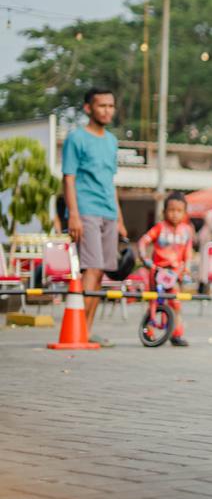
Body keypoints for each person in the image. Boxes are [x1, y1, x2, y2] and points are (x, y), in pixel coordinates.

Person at [62, 88, 127, 347]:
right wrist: (74, 215)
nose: (107, 110)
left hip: (108, 212)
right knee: (92, 268)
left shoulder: (111, 141)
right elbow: (68, 177)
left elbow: (110, 182)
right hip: (85, 210)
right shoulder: (76, 138)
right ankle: (80, 330)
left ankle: (86, 329)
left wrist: (120, 218)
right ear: (88, 108)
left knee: (101, 274)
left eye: (111, 106)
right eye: (102, 106)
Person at [136, 192, 195, 346]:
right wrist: (144, 258)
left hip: (174, 273)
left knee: (175, 302)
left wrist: (187, 267)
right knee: (154, 301)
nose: (174, 214)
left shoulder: (186, 230)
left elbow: (188, 251)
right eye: (171, 210)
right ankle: (149, 330)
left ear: (184, 213)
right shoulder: (160, 228)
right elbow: (144, 241)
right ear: (164, 212)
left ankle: (176, 333)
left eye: (179, 210)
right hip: (157, 270)